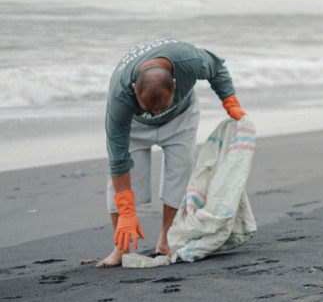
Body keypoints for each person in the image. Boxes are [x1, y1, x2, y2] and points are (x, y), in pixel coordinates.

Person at [96, 38, 247, 268]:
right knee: (125, 181)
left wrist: (230, 102)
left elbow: (217, 68)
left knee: (181, 170)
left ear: (175, 85)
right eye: (150, 108)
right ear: (134, 89)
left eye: (160, 107)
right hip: (136, 125)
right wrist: (126, 211)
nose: (156, 113)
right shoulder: (120, 95)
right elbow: (118, 159)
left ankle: (166, 239)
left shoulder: (189, 60)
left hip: (180, 117)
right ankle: (121, 248)